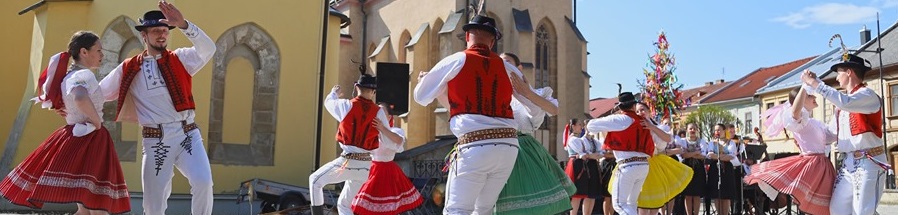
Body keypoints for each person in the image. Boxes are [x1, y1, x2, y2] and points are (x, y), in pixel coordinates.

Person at [96, 2, 215, 214]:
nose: (161, 35)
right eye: (155, 31)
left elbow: (208, 49)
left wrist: (184, 24)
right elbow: (98, 93)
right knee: (153, 203)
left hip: (188, 134)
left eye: (164, 31)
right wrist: (69, 97)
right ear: (144, 35)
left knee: (203, 182)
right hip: (156, 139)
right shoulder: (129, 67)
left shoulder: (181, 58)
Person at [413, 13, 533, 214]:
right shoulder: (508, 67)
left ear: (468, 36)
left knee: (457, 209)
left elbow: (421, 96)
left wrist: (430, 83)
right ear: (493, 41)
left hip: (475, 145)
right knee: (484, 209)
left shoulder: (457, 60)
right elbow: (531, 102)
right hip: (508, 147)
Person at [0, 31, 130, 214]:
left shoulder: (68, 76)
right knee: (98, 207)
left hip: (74, 135)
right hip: (91, 138)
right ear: (84, 52)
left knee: (85, 209)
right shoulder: (84, 75)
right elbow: (79, 97)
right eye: (99, 50)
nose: (102, 55)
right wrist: (97, 122)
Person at [801, 53, 886, 215]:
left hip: (869, 161)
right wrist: (803, 131)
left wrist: (815, 83)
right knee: (837, 209)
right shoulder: (842, 106)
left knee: (862, 211)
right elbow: (829, 135)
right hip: (848, 164)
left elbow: (845, 102)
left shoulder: (867, 95)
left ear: (849, 72)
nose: (837, 78)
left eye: (839, 72)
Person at [493, 53, 574, 215]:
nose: (503, 66)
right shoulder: (492, 94)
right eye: (500, 63)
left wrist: (525, 92)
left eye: (507, 62)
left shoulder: (535, 93)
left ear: (519, 68)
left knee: (530, 200)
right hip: (496, 148)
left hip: (524, 150)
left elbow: (554, 110)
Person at [310, 71, 395, 215]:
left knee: (314, 181)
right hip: (365, 167)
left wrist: (334, 93)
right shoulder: (379, 112)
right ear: (373, 92)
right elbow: (388, 139)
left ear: (356, 87)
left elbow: (328, 103)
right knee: (344, 205)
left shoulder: (346, 106)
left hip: (348, 161)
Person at [744, 87, 836, 215]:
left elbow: (832, 135)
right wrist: (804, 88)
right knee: (813, 204)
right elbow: (795, 114)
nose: (815, 98)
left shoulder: (814, 123)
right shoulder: (798, 119)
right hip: (812, 165)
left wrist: (838, 112)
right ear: (801, 100)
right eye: (810, 96)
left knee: (828, 204)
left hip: (823, 165)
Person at [586, 91, 671, 215]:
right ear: (633, 105)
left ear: (620, 107)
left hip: (628, 166)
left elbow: (590, 126)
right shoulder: (645, 122)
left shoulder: (621, 119)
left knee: (619, 204)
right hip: (643, 166)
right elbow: (663, 143)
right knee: (631, 203)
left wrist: (610, 122)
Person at [609, 103, 691, 215]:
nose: (640, 113)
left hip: (653, 165)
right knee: (639, 203)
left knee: (653, 205)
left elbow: (668, 139)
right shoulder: (630, 126)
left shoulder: (656, 128)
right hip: (634, 164)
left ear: (649, 111)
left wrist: (651, 127)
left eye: (642, 110)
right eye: (637, 111)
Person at [350, 102, 423, 215]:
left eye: (382, 113)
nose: (378, 115)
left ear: (389, 117)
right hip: (371, 169)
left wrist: (382, 128)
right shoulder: (370, 132)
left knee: (387, 207)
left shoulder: (395, 131)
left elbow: (398, 141)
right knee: (364, 205)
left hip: (387, 171)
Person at [564, 119, 601, 215]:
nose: (582, 127)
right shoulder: (573, 139)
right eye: (580, 125)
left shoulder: (579, 139)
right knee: (577, 195)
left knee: (582, 194)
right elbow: (582, 154)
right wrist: (589, 155)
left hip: (581, 164)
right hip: (576, 165)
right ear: (573, 127)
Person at [706, 124, 741, 215]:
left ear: (724, 131)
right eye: (715, 130)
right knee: (716, 194)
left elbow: (731, 156)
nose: (717, 132)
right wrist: (723, 156)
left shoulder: (730, 142)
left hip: (726, 169)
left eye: (719, 130)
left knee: (726, 194)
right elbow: (710, 154)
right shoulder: (712, 143)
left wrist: (718, 156)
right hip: (715, 168)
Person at [677, 123, 708, 215]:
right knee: (688, 194)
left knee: (697, 194)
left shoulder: (702, 141)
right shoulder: (683, 141)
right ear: (687, 130)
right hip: (686, 168)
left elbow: (703, 156)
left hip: (698, 169)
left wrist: (689, 153)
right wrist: (696, 152)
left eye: (694, 128)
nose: (692, 130)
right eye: (690, 129)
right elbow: (683, 155)